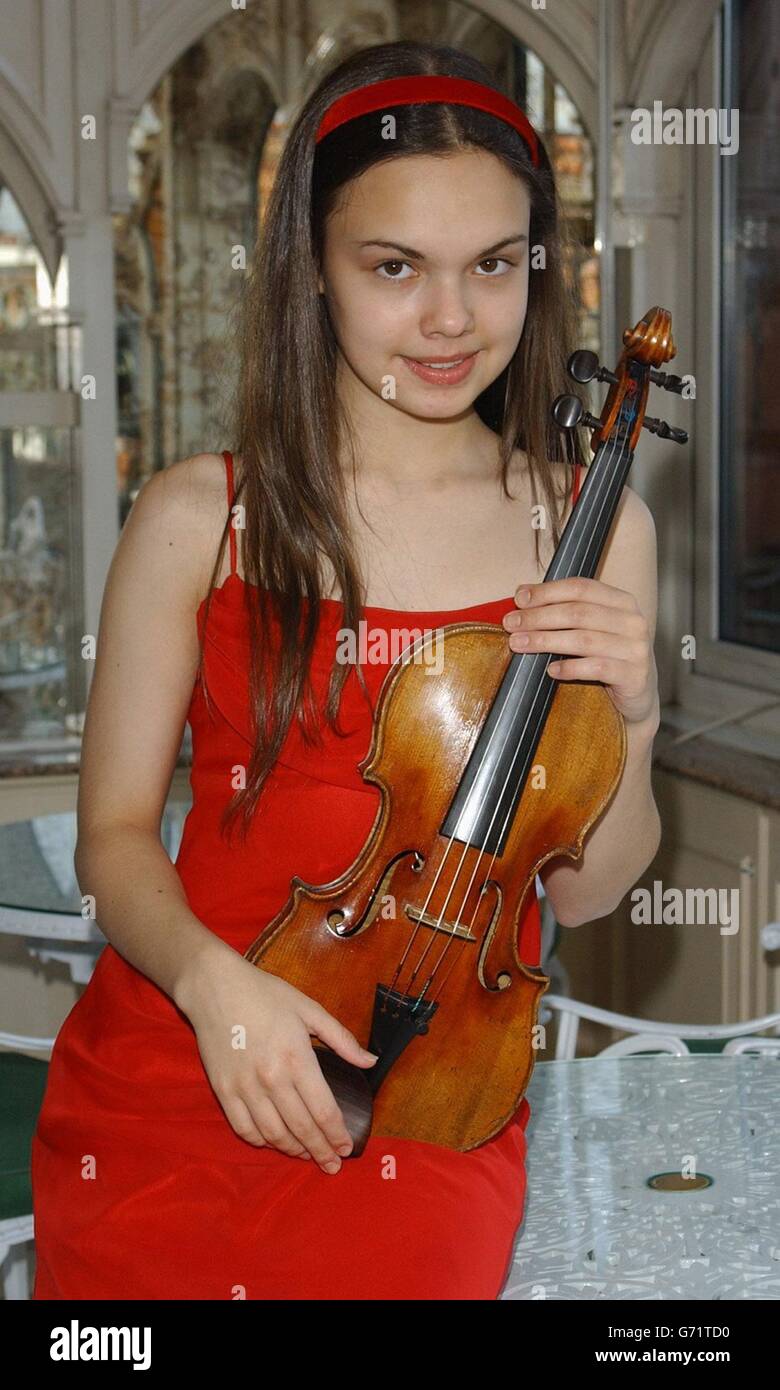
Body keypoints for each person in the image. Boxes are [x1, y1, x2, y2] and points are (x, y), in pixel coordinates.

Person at [31, 39, 661, 1301]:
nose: (450, 318)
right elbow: (112, 838)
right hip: (185, 1058)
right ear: (311, 269)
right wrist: (219, 990)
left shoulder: (592, 524)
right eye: (394, 268)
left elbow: (586, 892)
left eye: (494, 265)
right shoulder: (197, 514)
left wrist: (633, 719)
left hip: (428, 1091)